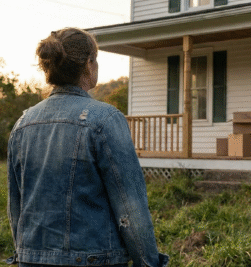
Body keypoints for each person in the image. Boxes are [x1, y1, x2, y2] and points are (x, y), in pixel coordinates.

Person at [6, 28, 169, 267]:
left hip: (32, 259)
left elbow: (16, 209)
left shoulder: (22, 124)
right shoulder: (105, 120)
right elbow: (130, 208)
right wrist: (149, 262)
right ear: (89, 64)